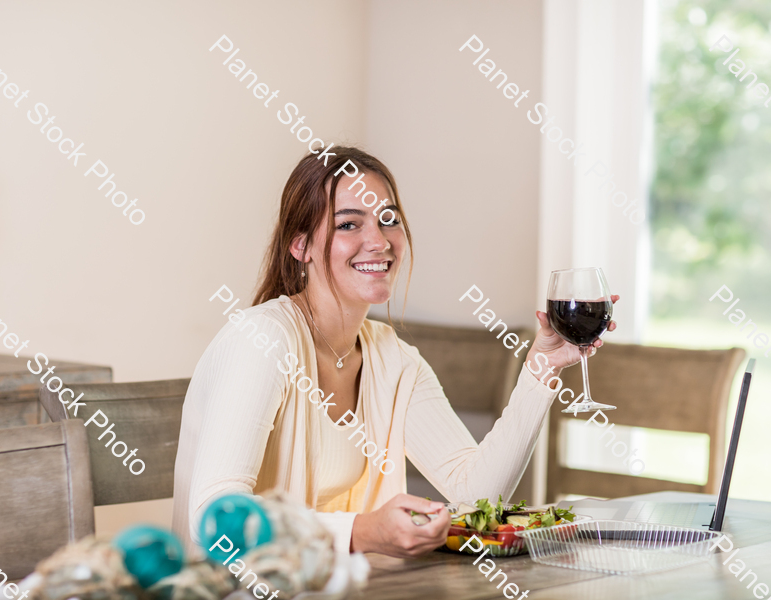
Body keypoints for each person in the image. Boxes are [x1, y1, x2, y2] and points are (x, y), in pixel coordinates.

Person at [172, 146, 617, 558]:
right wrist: (361, 532)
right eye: (349, 224)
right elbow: (215, 521)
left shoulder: (392, 358)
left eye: (389, 218)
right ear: (300, 245)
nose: (380, 240)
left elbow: (475, 493)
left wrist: (540, 370)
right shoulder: (262, 341)